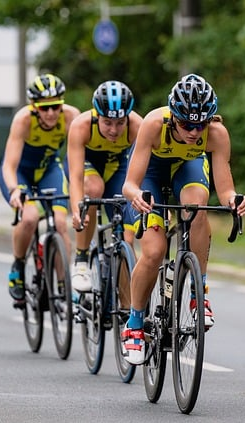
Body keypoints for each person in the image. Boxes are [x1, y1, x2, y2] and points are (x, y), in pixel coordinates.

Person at [121, 73, 245, 364]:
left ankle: (198, 292)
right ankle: (134, 324)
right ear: (173, 117)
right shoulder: (154, 124)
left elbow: (226, 188)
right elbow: (129, 184)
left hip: (188, 166)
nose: (194, 132)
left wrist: (235, 200)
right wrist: (139, 196)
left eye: (200, 124)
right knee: (154, 251)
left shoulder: (216, 134)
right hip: (152, 174)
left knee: (197, 205)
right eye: (186, 124)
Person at [0, 73, 80, 304]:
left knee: (61, 222)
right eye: (45, 109)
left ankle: (64, 283)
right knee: (30, 217)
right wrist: (14, 190)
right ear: (34, 107)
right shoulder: (23, 120)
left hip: (48, 170)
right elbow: (9, 164)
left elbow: (79, 154)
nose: (51, 113)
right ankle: (18, 265)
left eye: (55, 107)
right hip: (20, 173)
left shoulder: (71, 117)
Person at [67, 80, 142, 294]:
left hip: (118, 169)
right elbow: (75, 175)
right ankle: (81, 260)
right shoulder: (81, 126)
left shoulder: (138, 126)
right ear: (96, 115)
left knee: (127, 240)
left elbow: (144, 172)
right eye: (107, 122)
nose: (114, 129)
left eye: (120, 123)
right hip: (88, 168)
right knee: (93, 188)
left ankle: (129, 315)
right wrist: (77, 210)